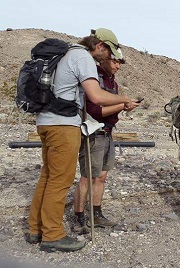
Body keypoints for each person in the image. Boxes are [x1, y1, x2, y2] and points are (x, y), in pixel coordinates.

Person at [25, 28, 140, 252]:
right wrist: (125, 98)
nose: (108, 58)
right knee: (60, 180)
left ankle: (35, 229)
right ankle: (53, 235)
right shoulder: (83, 58)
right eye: (108, 53)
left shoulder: (66, 54)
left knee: (48, 177)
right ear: (100, 46)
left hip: (46, 122)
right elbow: (96, 96)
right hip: (63, 125)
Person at [72, 48, 135, 234]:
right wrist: (122, 105)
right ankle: (79, 217)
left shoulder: (112, 82)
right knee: (87, 177)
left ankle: (96, 214)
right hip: (93, 133)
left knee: (101, 176)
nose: (118, 66)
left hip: (107, 133)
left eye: (120, 63)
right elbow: (95, 110)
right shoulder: (94, 77)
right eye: (115, 62)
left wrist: (123, 107)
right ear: (105, 59)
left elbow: (109, 109)